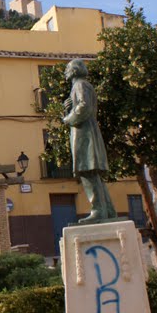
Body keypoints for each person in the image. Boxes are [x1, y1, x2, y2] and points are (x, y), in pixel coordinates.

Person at [62, 59, 116, 222]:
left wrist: (68, 119)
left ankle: (98, 210)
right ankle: (108, 210)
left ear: (74, 70)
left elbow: (84, 106)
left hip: (84, 133)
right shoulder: (82, 86)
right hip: (86, 130)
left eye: (67, 68)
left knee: (87, 170)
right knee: (92, 173)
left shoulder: (80, 84)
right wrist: (68, 108)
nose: (65, 72)